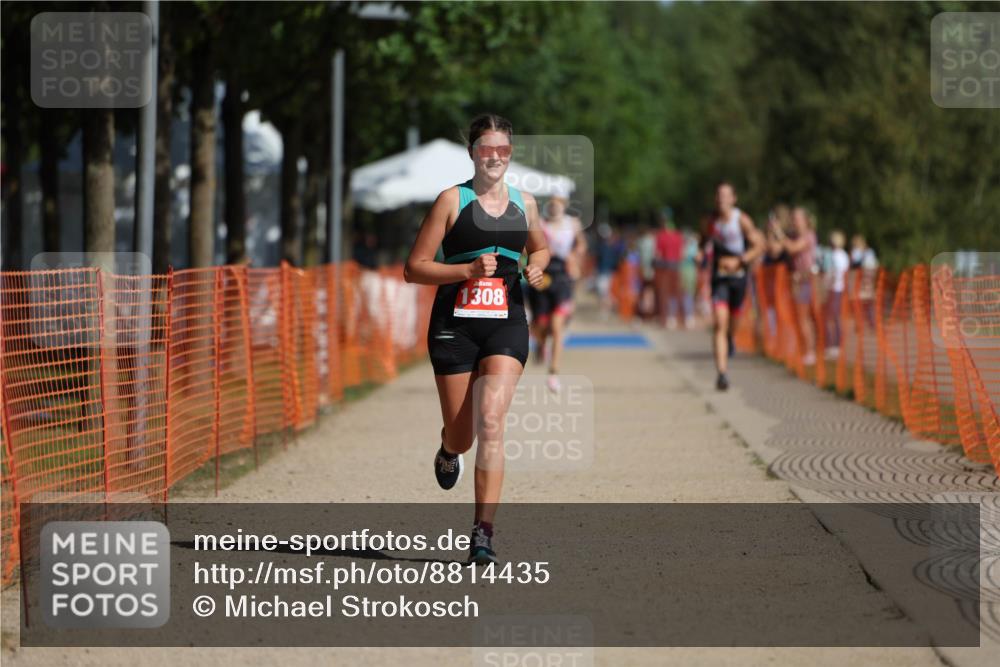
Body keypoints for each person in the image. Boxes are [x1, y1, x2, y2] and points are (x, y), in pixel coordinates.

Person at [403, 114, 548, 565]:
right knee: (464, 435)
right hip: (455, 327)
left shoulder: (525, 203)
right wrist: (465, 270)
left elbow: (540, 247)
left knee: (491, 422)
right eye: (487, 149)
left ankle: (482, 533)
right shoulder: (452, 200)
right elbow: (414, 268)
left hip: (506, 323)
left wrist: (538, 265)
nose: (495, 157)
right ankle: (449, 450)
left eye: (503, 150)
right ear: (473, 153)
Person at [699, 182, 764, 391]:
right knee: (719, 322)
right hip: (719, 278)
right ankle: (722, 374)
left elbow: (759, 245)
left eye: (726, 196)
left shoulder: (741, 220)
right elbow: (703, 243)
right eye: (718, 195)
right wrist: (700, 255)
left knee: (731, 325)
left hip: (739, 277)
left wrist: (741, 261)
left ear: (734, 199)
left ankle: (730, 339)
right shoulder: (710, 222)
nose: (721, 200)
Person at [527, 194, 587, 393]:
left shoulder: (572, 223)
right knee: (542, 325)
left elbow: (581, 244)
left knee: (557, 325)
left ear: (563, 206)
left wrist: (575, 255)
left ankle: (553, 373)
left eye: (558, 205)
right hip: (543, 277)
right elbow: (528, 249)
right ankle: (541, 344)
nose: (554, 208)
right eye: (551, 205)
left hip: (563, 277)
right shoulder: (540, 225)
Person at [780, 206, 818, 366]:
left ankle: (810, 351)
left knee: (804, 318)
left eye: (797, 218)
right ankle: (805, 349)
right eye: (793, 219)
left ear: (805, 220)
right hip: (798, 280)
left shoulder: (808, 236)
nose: (794, 222)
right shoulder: (797, 236)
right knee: (799, 317)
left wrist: (779, 234)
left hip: (804, 280)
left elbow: (792, 248)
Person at [653, 216, 686, 329]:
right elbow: (682, 253)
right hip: (676, 266)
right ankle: (680, 318)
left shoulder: (661, 236)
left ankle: (665, 319)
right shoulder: (679, 236)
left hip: (664, 268)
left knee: (664, 294)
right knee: (677, 294)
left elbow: (657, 253)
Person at [824, 230, 851, 360]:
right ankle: (835, 344)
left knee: (832, 317)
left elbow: (834, 272)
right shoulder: (844, 255)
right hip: (839, 288)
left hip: (835, 288)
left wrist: (829, 284)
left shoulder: (835, 255)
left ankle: (835, 344)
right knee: (835, 317)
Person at [850, 234, 879, 328]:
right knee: (868, 301)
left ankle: (865, 322)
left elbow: (855, 264)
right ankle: (869, 322)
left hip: (864, 279)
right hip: (867, 278)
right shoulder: (869, 251)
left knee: (863, 301)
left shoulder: (859, 252)